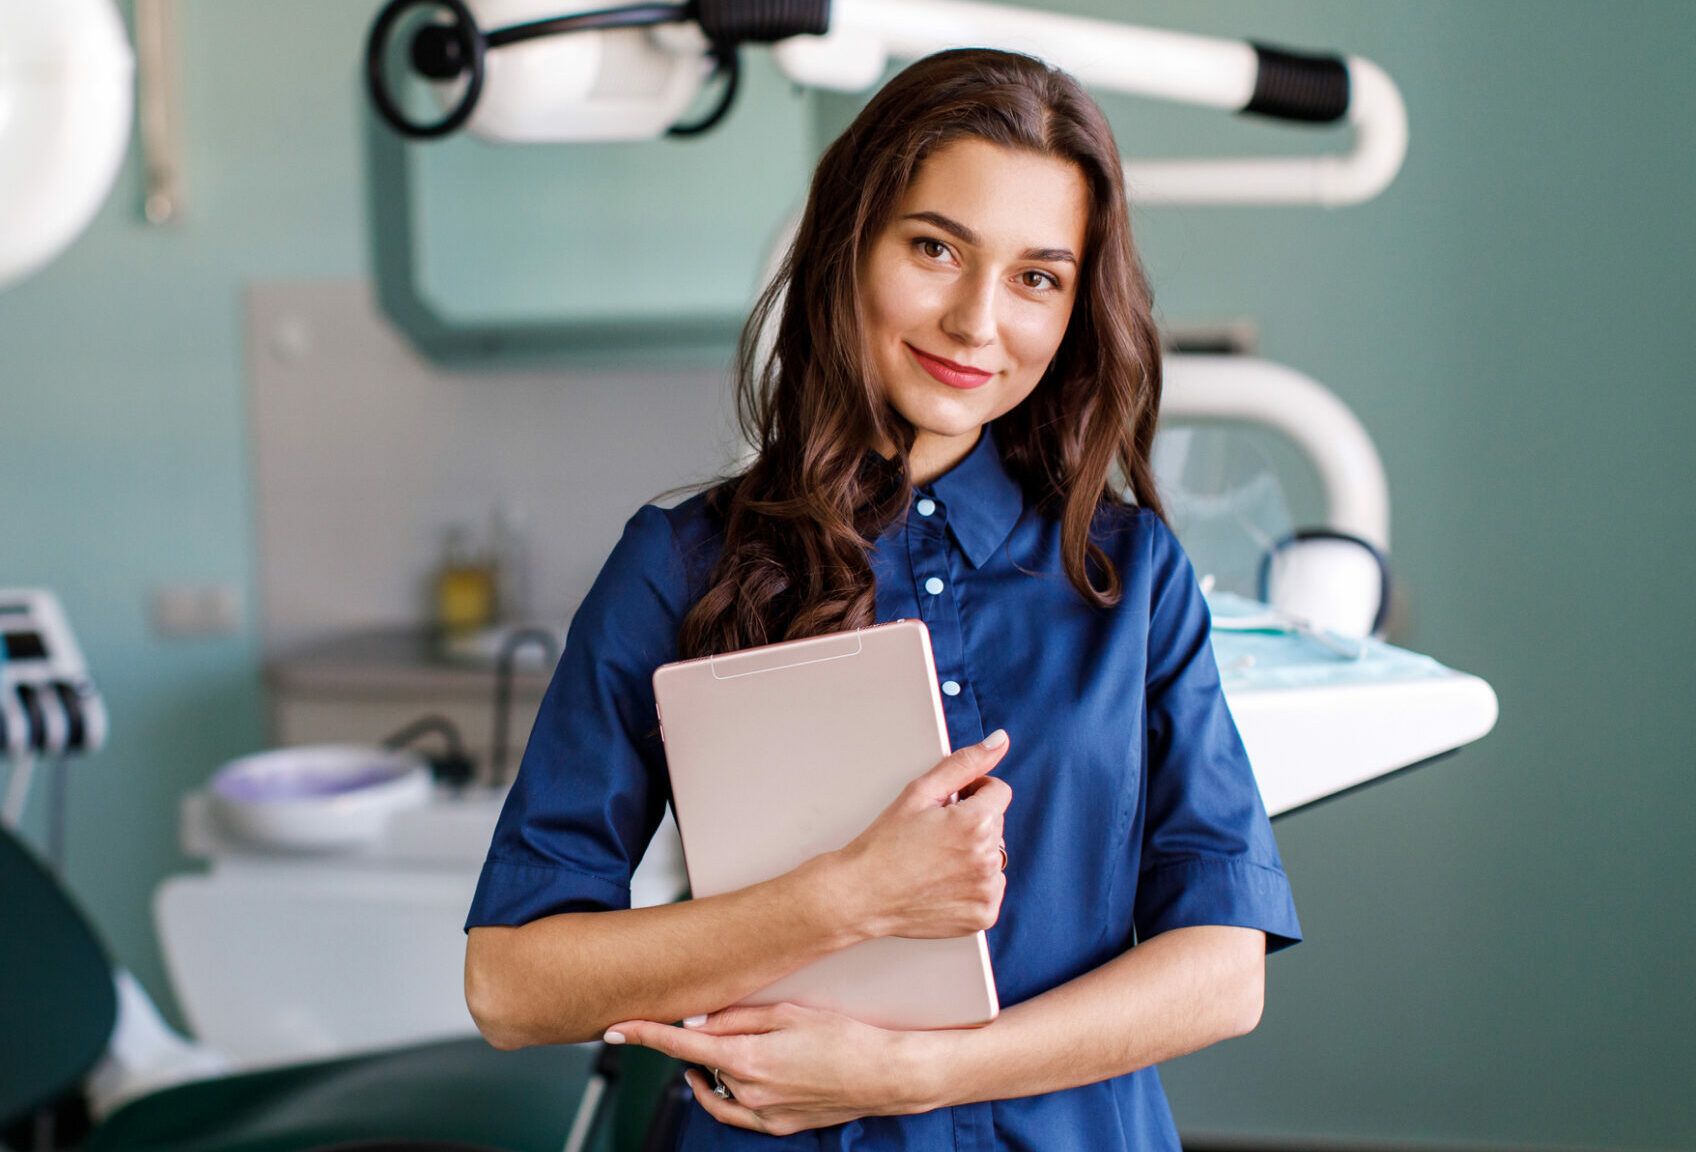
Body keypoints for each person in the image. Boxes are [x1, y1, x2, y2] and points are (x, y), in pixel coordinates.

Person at [462, 48, 1300, 1150]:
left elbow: (1220, 972)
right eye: (934, 248)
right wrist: (839, 898)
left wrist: (915, 1074)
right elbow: (511, 985)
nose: (974, 321)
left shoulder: (1129, 574)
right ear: (848, 245)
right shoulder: (677, 566)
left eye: (1035, 277)